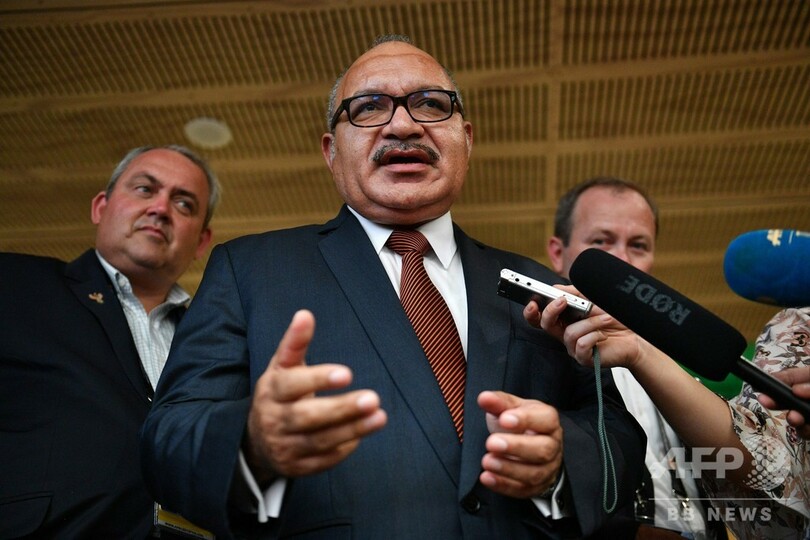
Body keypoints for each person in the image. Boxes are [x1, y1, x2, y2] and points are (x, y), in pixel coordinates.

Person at [139, 35, 646, 539]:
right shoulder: (250, 270)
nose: (403, 125)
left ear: (466, 140)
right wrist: (252, 442)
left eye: (431, 104)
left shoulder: (539, 286)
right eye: (369, 107)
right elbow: (167, 440)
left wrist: (560, 464)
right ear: (332, 151)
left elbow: (618, 436)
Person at [0, 145, 219, 538]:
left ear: (202, 242)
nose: (160, 208)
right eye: (144, 189)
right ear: (100, 207)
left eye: (184, 204)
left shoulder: (219, 339)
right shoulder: (14, 283)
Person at [532, 292, 810, 539]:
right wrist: (638, 350)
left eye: (639, 251)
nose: (623, 258)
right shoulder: (798, 326)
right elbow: (769, 461)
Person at [546, 177, 724, 539]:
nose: (622, 260)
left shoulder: (685, 359)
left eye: (638, 245)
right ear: (557, 252)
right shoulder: (533, 356)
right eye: (601, 242)